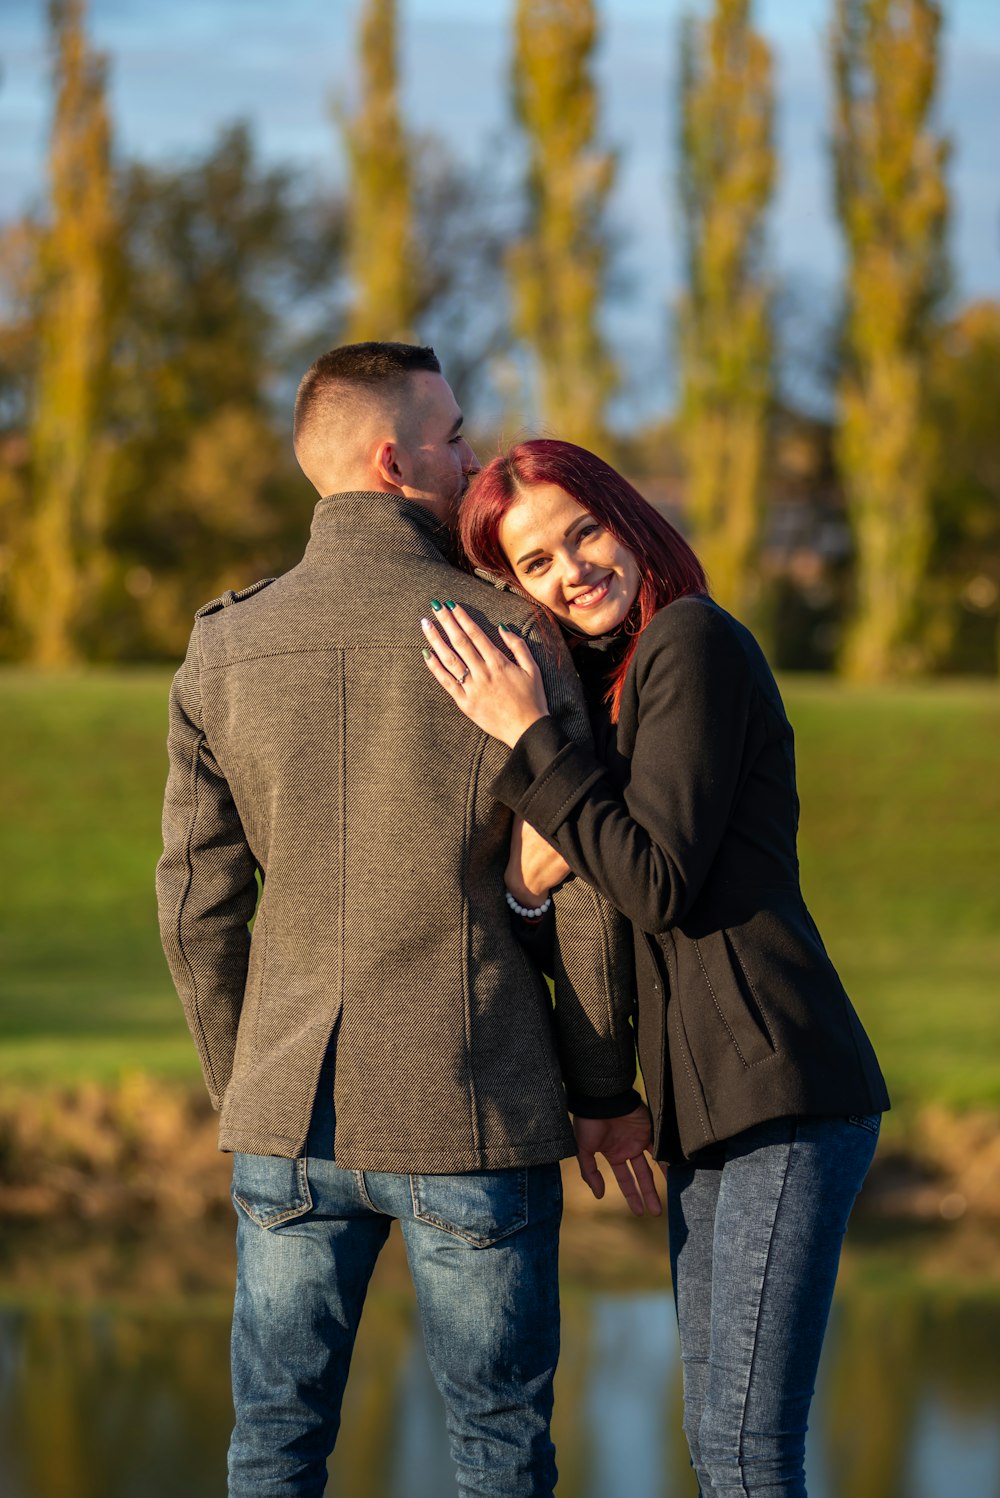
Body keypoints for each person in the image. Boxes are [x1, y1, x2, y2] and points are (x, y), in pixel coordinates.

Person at [155, 353, 655, 1498]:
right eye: (454, 438)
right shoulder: (509, 637)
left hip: (289, 1114)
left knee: (274, 1443)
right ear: (394, 461)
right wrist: (600, 1090)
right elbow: (573, 890)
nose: (472, 460)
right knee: (496, 1449)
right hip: (474, 1103)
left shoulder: (222, 645)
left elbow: (194, 905)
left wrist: (252, 1089)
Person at [420, 437, 891, 1498]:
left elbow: (656, 882)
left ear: (627, 517)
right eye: (534, 564)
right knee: (720, 1450)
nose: (570, 570)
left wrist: (530, 736)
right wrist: (527, 891)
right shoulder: (616, 691)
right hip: (707, 1107)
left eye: (581, 532)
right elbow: (605, 907)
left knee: (744, 1455)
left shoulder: (690, 643)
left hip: (781, 1090)